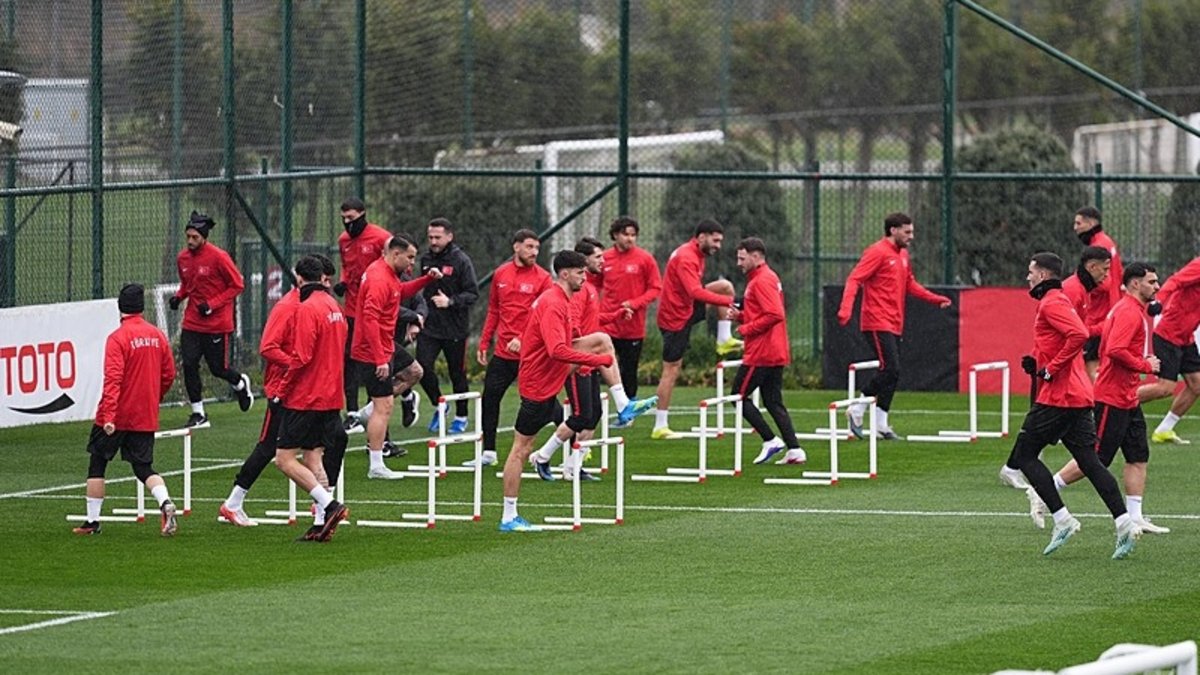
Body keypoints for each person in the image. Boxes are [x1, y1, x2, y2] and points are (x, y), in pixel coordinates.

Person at [1006, 252, 1139, 559]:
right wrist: (1038, 364)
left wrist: (1050, 369)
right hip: (1077, 395)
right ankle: (1124, 524)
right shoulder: (1061, 298)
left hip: (1059, 397)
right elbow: (1063, 339)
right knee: (1089, 461)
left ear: (1042, 275)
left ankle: (1063, 519)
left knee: (1024, 457)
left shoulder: (1052, 301)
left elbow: (1077, 334)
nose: (1027, 277)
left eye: (1030, 272)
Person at [1036, 262, 1169, 534]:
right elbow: (1116, 350)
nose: (1157, 287)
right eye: (1152, 282)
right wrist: (1145, 365)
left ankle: (1135, 517)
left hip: (1129, 397)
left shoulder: (1132, 309)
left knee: (1138, 456)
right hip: (1112, 398)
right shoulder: (1128, 312)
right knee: (1096, 459)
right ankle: (1044, 490)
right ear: (1135, 284)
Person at [218, 255, 349, 529]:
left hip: (310, 391)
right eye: (325, 279)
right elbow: (268, 347)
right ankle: (234, 502)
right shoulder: (289, 306)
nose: (328, 285)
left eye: (329, 280)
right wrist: (294, 369)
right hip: (289, 390)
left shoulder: (321, 305)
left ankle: (324, 510)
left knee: (320, 448)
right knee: (271, 448)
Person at [499, 250, 619, 532]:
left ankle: (623, 402)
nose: (584, 277)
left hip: (549, 378)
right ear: (565, 274)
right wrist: (597, 361)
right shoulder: (553, 302)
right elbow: (557, 350)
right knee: (520, 449)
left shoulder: (562, 300)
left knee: (601, 341)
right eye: (580, 272)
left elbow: (564, 341)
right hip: (539, 385)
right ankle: (508, 516)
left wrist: (594, 353)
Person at [528, 237, 657, 481]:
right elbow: (572, 327)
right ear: (583, 260)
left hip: (587, 359)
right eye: (598, 257)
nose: (603, 261)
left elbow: (592, 320)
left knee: (592, 416)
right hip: (577, 361)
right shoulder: (575, 291)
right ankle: (544, 456)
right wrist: (588, 347)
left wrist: (615, 315)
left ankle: (567, 465)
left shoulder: (587, 289)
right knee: (581, 416)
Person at [73, 284, 179, 537]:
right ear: (142, 307)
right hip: (144, 414)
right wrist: (153, 397)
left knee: (97, 464)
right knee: (143, 468)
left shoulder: (117, 338)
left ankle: (92, 522)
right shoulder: (157, 336)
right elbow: (169, 374)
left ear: (120, 307)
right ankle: (165, 502)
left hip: (116, 415)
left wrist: (109, 416)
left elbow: (113, 379)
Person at [837, 212, 951, 440]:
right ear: (893, 230)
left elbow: (910, 284)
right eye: (907, 232)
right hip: (876, 321)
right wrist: (846, 308)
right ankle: (857, 408)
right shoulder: (877, 252)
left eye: (912, 231)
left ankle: (881, 423)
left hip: (895, 322)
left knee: (893, 373)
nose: (911, 236)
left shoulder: (903, 255)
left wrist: (935, 298)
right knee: (891, 368)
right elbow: (854, 279)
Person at [272, 255, 351, 543]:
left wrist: (282, 390)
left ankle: (330, 505)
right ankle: (320, 522)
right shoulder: (334, 306)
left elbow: (301, 357)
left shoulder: (307, 308)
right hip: (331, 394)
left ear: (299, 278)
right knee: (313, 455)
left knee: (284, 459)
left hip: (307, 396)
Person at [350, 234, 442, 480]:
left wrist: (426, 280)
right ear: (396, 253)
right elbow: (370, 319)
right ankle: (376, 464)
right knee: (385, 406)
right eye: (410, 257)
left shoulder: (389, 273)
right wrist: (379, 358)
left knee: (415, 372)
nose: (412, 262)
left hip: (386, 343)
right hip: (371, 349)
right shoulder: (378, 278)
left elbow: (400, 292)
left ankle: (368, 411)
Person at [650, 220, 740, 440]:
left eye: (720, 241)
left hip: (687, 307)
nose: (718, 246)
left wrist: (726, 299)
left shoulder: (697, 253)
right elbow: (695, 292)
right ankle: (660, 425)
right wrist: (732, 302)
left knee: (725, 286)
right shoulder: (687, 257)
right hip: (675, 318)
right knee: (671, 370)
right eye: (715, 240)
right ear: (701, 237)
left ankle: (724, 339)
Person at [473, 229, 553, 467]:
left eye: (536, 248)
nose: (534, 252)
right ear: (516, 247)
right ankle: (488, 452)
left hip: (530, 353)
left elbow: (541, 315)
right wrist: (485, 341)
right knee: (490, 398)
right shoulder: (501, 273)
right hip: (503, 353)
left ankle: (573, 443)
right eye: (529, 247)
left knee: (546, 404)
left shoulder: (543, 278)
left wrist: (522, 337)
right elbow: (494, 310)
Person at [726, 238, 807, 466]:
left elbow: (775, 314)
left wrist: (746, 329)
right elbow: (762, 312)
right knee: (772, 401)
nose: (739, 263)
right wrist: (741, 316)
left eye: (742, 258)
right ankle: (795, 449)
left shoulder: (761, 280)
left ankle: (770, 440)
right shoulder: (764, 278)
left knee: (738, 396)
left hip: (762, 352)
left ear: (756, 256)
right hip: (774, 349)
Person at [169, 211, 253, 426]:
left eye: (195, 237)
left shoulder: (219, 257)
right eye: (188, 236)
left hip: (217, 324)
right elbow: (187, 285)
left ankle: (240, 384)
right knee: (189, 364)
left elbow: (237, 285)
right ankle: (198, 413)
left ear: (204, 237)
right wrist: (178, 297)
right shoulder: (182, 258)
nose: (190, 241)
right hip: (192, 322)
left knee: (218, 369)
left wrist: (212, 305)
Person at [333, 197, 393, 430]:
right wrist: (343, 281)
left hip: (376, 309)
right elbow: (346, 267)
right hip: (352, 308)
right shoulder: (343, 240)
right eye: (343, 218)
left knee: (379, 359)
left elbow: (394, 267)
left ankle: (380, 404)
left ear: (363, 214)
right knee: (350, 358)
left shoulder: (380, 238)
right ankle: (352, 412)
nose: (347, 223)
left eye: (351, 218)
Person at [416, 218, 479, 435]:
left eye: (438, 237)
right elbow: (422, 290)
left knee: (456, 373)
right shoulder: (425, 259)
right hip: (430, 327)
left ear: (449, 236)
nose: (433, 241)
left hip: (455, 329)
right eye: (430, 237)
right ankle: (440, 405)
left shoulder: (461, 260)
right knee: (421, 367)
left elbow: (472, 293)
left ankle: (461, 416)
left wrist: (450, 301)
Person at [597, 216, 662, 415]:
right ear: (615, 235)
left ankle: (629, 410)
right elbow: (592, 285)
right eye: (626, 234)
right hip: (607, 324)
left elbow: (655, 288)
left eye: (633, 235)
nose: (630, 239)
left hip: (633, 326)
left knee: (629, 369)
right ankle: (592, 407)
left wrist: (634, 303)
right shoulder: (604, 258)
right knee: (599, 365)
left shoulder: (645, 259)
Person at [1137, 255, 1200, 445]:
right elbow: (1175, 280)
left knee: (1197, 384)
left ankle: (1164, 429)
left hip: (1186, 338)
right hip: (1168, 335)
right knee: (1165, 388)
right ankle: (1109, 402)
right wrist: (1159, 301)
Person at [1073, 206, 1124, 381]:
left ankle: (1097, 398)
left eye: (1078, 223)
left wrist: (1083, 285)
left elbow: (1106, 283)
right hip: (1109, 311)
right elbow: (1118, 275)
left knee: (1091, 367)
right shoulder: (1107, 242)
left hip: (1098, 316)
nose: (1075, 228)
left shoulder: (1098, 247)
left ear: (1090, 223)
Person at [1059, 245, 1112, 380]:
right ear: (1092, 267)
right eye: (1105, 269)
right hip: (1061, 358)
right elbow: (1067, 331)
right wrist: (1103, 327)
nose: (1107, 275)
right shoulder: (1072, 290)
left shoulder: (1084, 289)